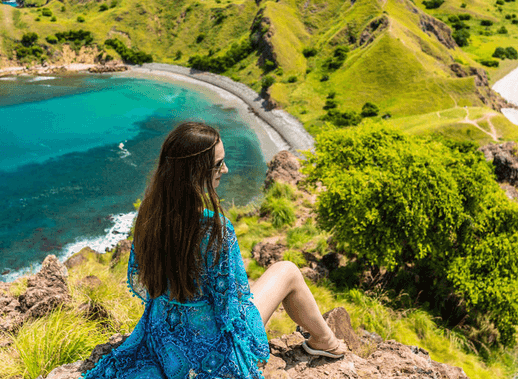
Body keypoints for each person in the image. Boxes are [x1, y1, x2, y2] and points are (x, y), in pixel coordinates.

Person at [83, 122, 346, 379]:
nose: (226, 169)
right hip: (210, 355)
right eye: (219, 164)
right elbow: (231, 307)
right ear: (196, 171)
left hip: (162, 338)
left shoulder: (149, 213)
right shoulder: (215, 228)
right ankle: (325, 341)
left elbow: (144, 280)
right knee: (286, 270)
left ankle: (325, 340)